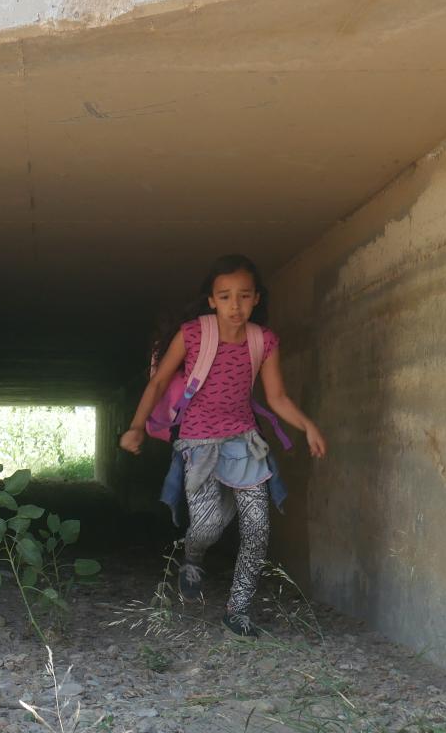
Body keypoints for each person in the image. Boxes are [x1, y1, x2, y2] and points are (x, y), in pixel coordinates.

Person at [119, 254, 327, 635]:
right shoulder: (194, 334)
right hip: (198, 443)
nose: (236, 305)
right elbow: (159, 383)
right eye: (226, 297)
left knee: (258, 526)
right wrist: (135, 427)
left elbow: (277, 397)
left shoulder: (263, 341)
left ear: (257, 299)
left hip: (244, 442)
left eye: (244, 296)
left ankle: (238, 611)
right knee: (209, 523)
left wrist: (308, 426)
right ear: (212, 300)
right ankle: (193, 556)